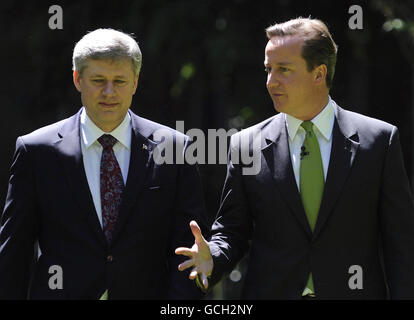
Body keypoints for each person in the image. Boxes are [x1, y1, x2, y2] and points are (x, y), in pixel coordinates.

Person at [176, 17, 414, 299]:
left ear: (319, 74)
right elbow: (232, 232)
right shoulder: (244, 145)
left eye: (283, 70)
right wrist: (212, 258)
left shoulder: (379, 141)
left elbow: (401, 244)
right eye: (268, 69)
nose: (270, 81)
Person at [0, 28, 207, 299]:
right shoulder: (36, 151)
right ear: (77, 79)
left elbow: (188, 250)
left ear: (135, 82)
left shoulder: (176, 149)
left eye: (119, 81)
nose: (109, 92)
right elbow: (15, 253)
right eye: (98, 80)